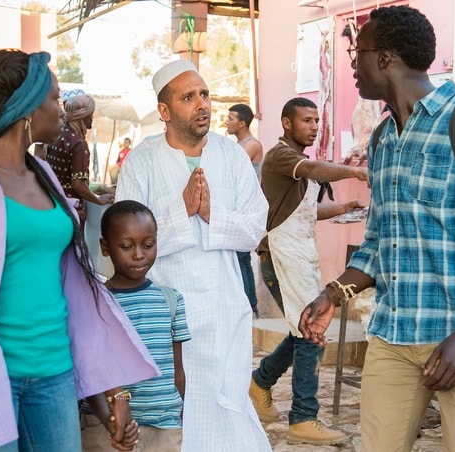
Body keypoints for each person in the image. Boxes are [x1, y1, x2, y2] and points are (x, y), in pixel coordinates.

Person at [298, 6, 455, 452]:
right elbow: (379, 244)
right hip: (394, 336)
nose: (352, 65)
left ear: (385, 58)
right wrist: (332, 294)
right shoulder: (383, 139)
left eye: (357, 52)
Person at [0, 49, 158, 452]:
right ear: (24, 107)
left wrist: (112, 394)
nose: (62, 108)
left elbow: (77, 295)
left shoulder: (42, 178)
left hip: (56, 379)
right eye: (55, 98)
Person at [115, 59, 271, 451]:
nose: (202, 104)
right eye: (188, 97)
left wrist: (210, 214)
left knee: (228, 401)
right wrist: (181, 210)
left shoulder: (232, 156)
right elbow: (126, 242)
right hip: (166, 312)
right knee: (177, 412)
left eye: (204, 94)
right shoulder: (142, 161)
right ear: (165, 112)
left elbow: (255, 228)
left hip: (223, 306)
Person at [249, 97, 367, 445]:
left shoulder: (294, 161)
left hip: (298, 254)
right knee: (312, 330)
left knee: (301, 329)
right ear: (287, 123)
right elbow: (314, 170)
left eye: (317, 120)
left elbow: (303, 213)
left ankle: (260, 383)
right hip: (281, 255)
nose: (314, 126)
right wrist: (355, 171)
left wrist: (342, 207)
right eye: (306, 120)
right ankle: (303, 417)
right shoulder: (281, 156)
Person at [82, 200, 191, 452]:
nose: (139, 254)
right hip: (104, 427)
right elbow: (90, 369)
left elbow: (177, 371)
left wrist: (178, 418)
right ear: (105, 247)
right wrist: (106, 420)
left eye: (148, 245)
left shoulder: (170, 300)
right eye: (127, 246)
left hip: (163, 427)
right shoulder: (95, 301)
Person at [46, 93, 114, 227]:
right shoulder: (78, 144)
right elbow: (78, 184)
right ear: (82, 116)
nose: (92, 118)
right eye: (91, 114)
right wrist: (98, 199)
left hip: (54, 203)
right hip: (72, 209)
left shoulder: (58, 135)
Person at [224, 103, 263, 317]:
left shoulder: (251, 145)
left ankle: (251, 307)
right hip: (233, 209)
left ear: (242, 123)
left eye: (230, 118)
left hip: (244, 210)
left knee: (242, 259)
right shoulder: (236, 144)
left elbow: (229, 168)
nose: (226, 122)